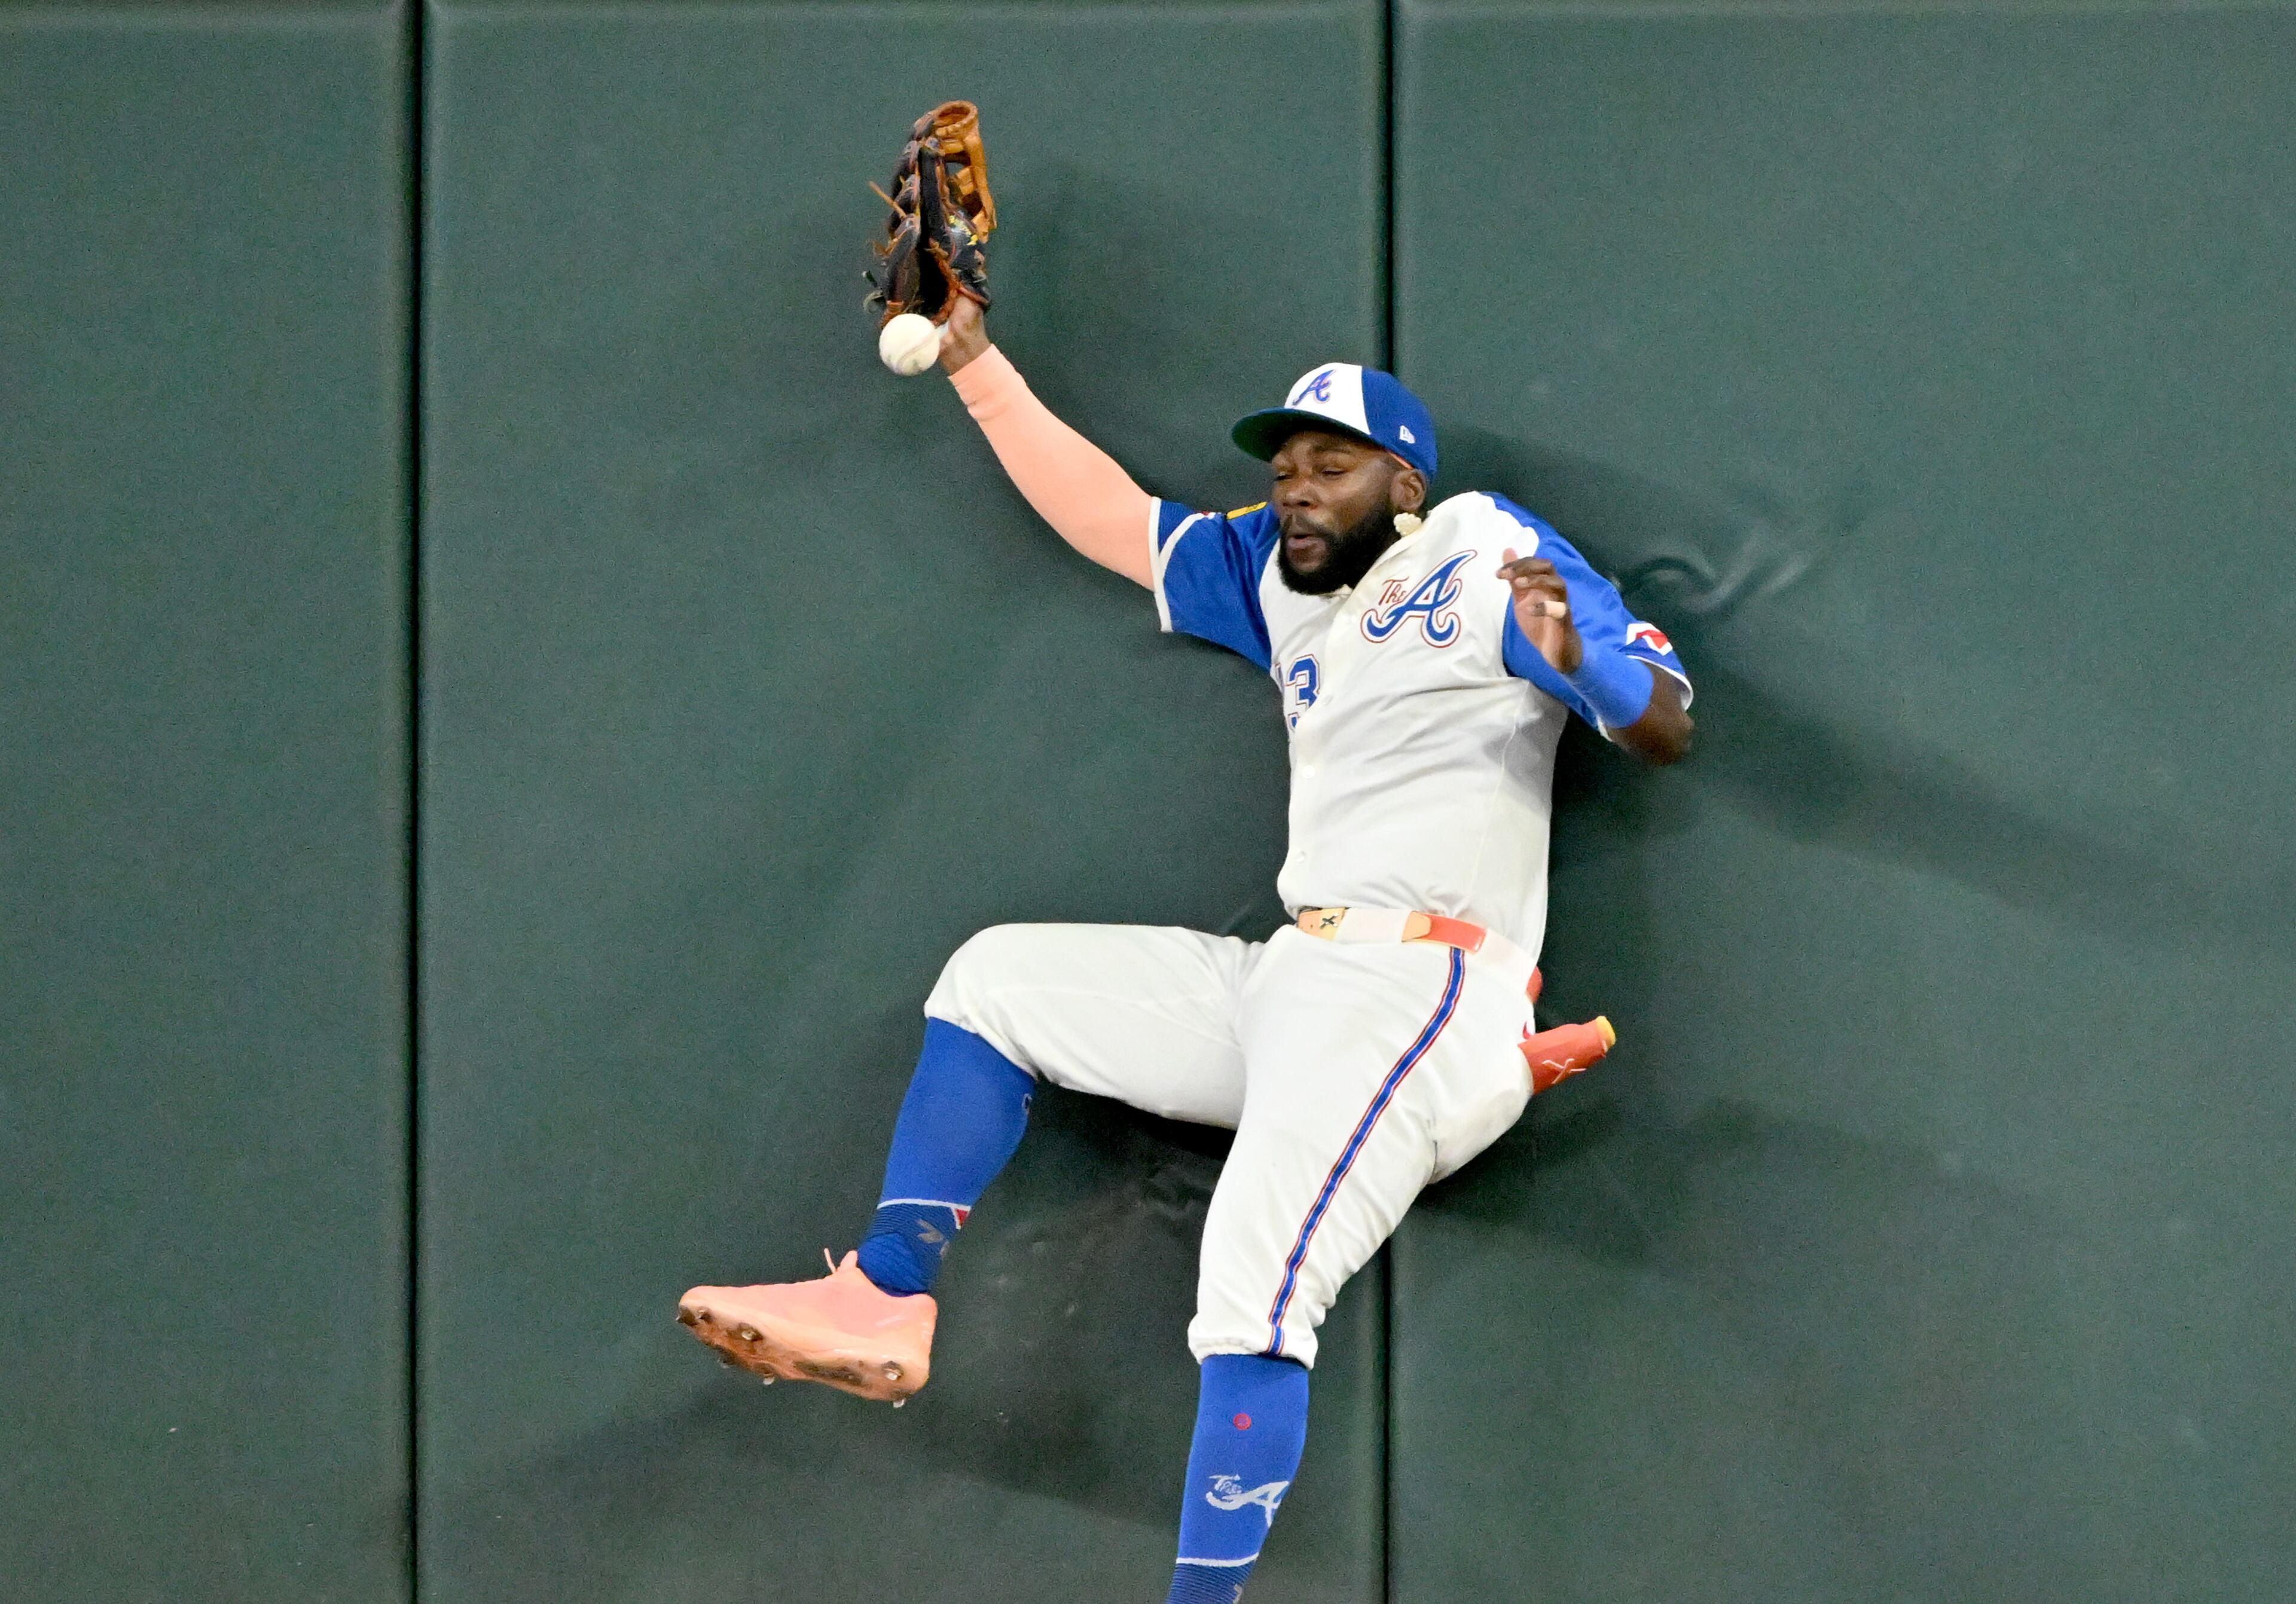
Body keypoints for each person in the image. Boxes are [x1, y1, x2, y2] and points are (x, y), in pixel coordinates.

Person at [679, 291, 1694, 1602]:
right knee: (996, 982)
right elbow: (1112, 518)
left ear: (1405, 478)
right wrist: (975, 364)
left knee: (1252, 1288)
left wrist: (1586, 667)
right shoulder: (1284, 585)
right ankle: (885, 1289)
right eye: (1282, 469)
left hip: (1422, 987)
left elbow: (1664, 716)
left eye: (1333, 465)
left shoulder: (1477, 548)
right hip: (1302, 974)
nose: (1298, 489)